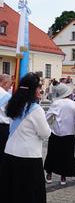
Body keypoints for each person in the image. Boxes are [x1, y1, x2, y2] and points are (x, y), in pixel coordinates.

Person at [0, 72, 51, 203]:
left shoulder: (13, 104)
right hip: (28, 157)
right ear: (33, 90)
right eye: (39, 87)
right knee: (29, 193)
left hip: (10, 153)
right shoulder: (36, 109)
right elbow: (45, 133)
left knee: (12, 191)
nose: (40, 90)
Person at [44, 83, 75, 185]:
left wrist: (50, 125)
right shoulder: (74, 104)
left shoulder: (56, 103)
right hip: (69, 133)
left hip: (56, 132)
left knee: (52, 153)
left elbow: (47, 117)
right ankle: (63, 177)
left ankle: (49, 174)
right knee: (67, 154)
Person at [0, 74, 12, 167]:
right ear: (4, 83)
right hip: (3, 128)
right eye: (9, 84)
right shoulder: (7, 96)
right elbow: (11, 114)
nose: (10, 87)